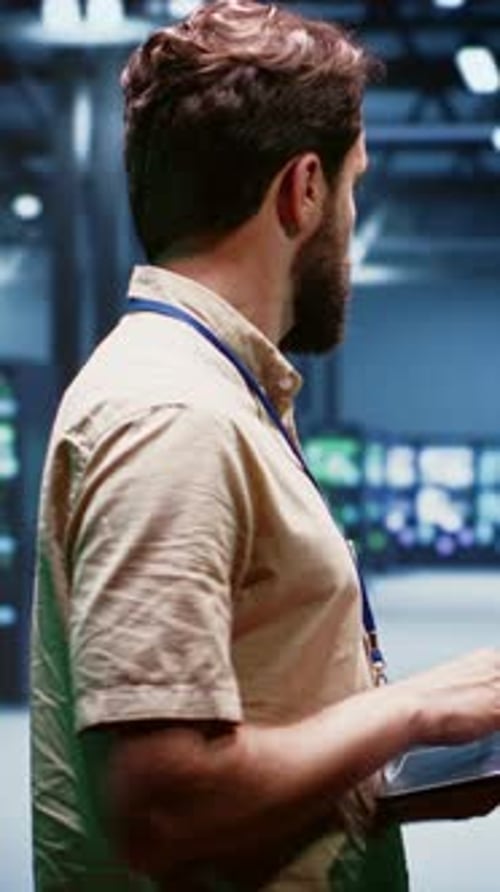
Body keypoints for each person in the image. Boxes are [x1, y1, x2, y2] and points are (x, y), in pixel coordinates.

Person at [30, 2, 500, 890]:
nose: (350, 227)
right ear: (304, 190)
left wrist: (372, 785)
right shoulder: (175, 414)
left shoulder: (213, 392)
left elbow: (248, 715)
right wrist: (420, 708)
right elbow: (164, 806)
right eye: (353, 188)